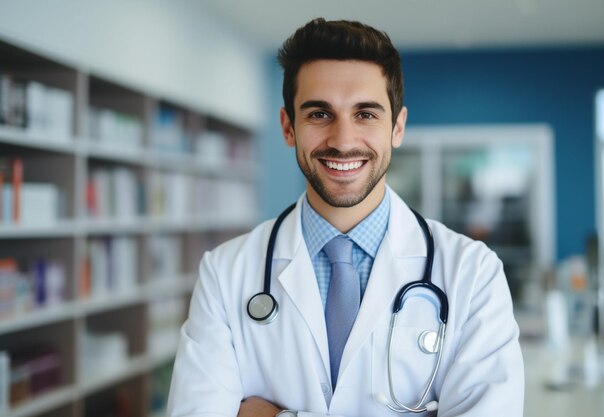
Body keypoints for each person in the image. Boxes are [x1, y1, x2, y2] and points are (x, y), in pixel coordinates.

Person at [167, 18, 524, 417]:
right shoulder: (225, 274)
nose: (343, 141)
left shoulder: (472, 274)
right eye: (320, 114)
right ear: (288, 128)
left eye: (366, 114)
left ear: (397, 127)